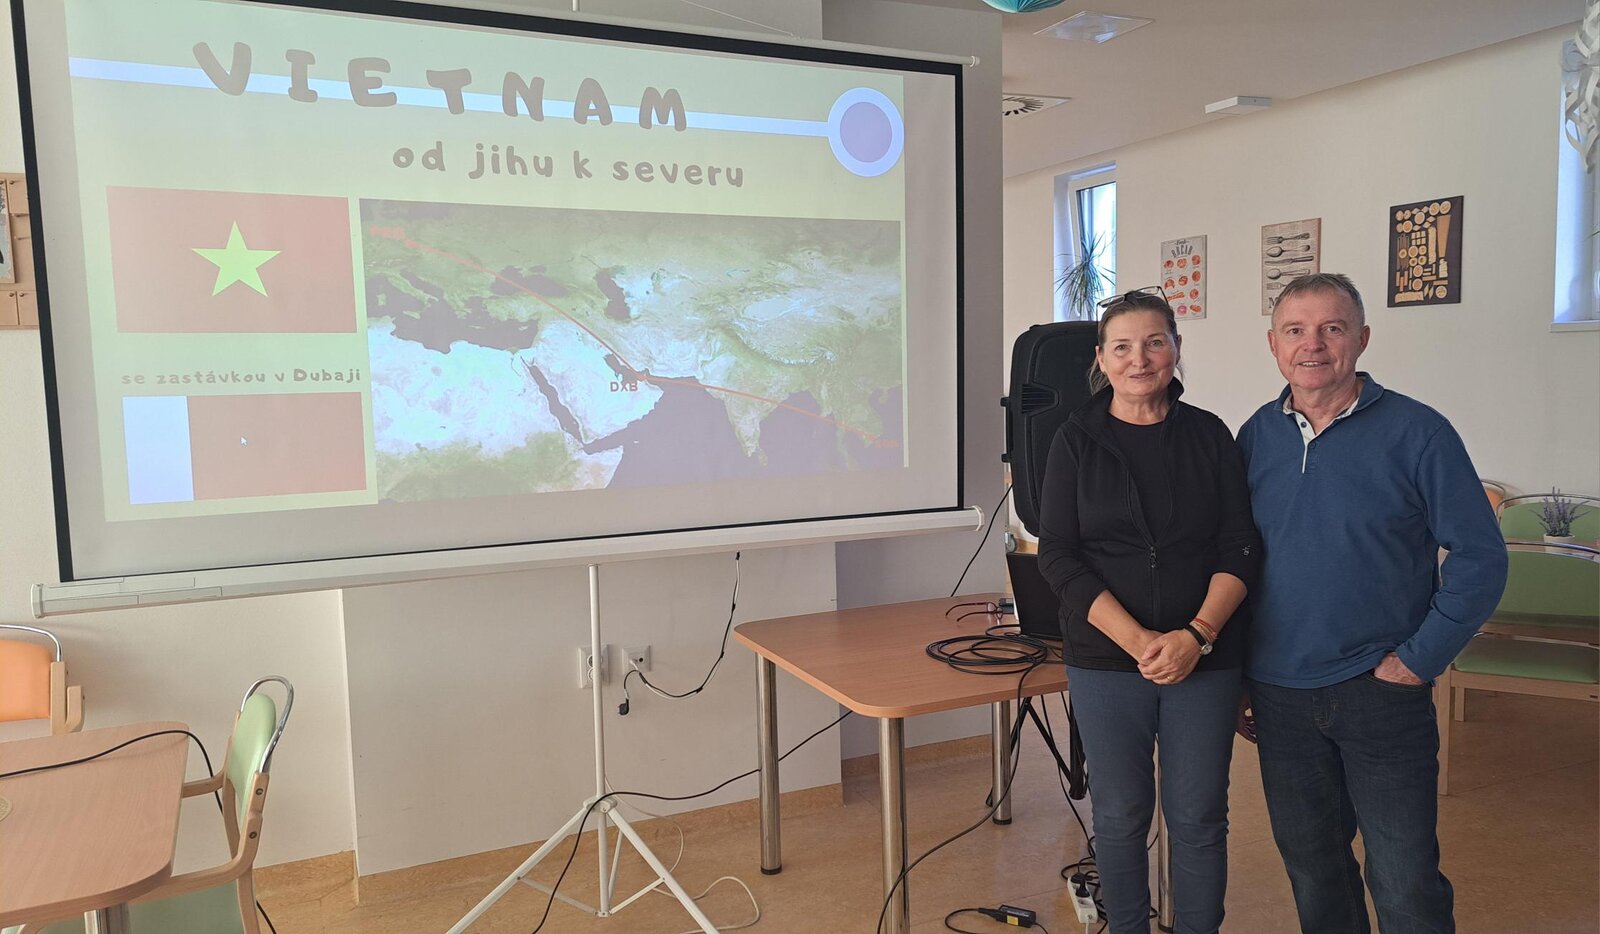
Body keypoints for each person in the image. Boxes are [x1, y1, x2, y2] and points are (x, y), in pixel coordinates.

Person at [1236, 273, 1507, 933]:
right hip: (1279, 695)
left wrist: (1417, 661)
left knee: (1404, 878)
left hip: (1381, 691)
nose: (1313, 345)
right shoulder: (1256, 437)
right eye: (1296, 330)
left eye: (1331, 328)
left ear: (1361, 339)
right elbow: (1235, 561)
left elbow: (1481, 556)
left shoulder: (1418, 432)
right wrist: (1238, 673)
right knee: (1313, 869)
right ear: (1273, 344)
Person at [1038, 288, 1261, 934]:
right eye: (1123, 347)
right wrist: (1138, 640)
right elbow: (1058, 555)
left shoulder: (1210, 435)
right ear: (1101, 359)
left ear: (1176, 350)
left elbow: (1240, 546)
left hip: (1205, 658)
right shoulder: (1073, 441)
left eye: (1154, 343)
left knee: (1199, 817)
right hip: (1107, 661)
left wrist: (1197, 634)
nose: (1139, 359)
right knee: (1119, 815)